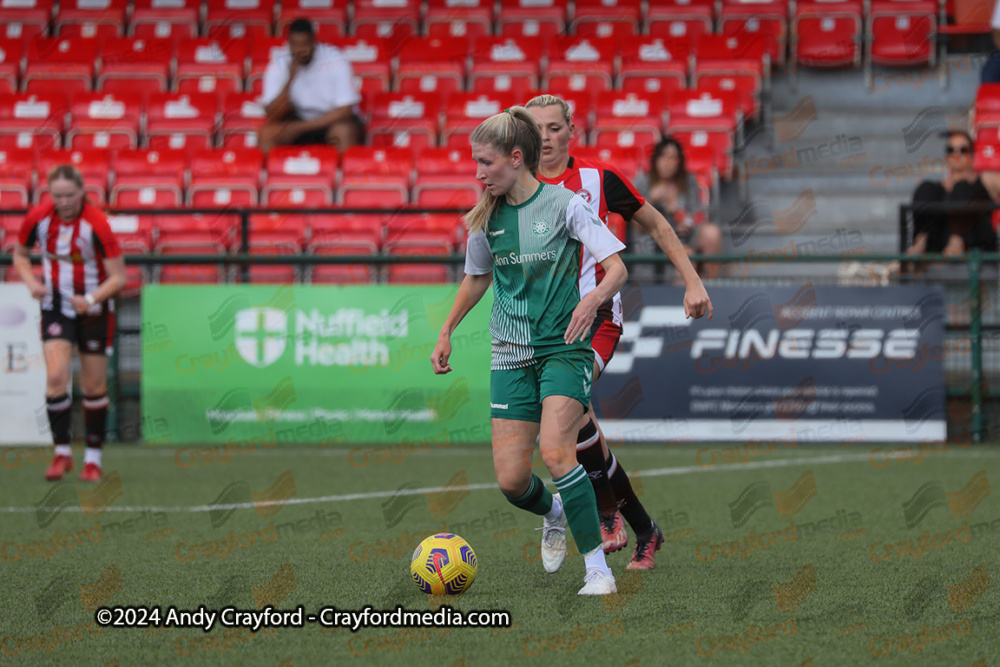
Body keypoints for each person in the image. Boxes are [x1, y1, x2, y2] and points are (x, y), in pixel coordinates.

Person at [431, 106, 628, 595]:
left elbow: (618, 267)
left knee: (557, 451)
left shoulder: (566, 204)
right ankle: (556, 512)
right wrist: (447, 329)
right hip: (510, 354)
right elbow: (476, 278)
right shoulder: (485, 218)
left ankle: (597, 571)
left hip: (565, 348)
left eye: (487, 163)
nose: (479, 173)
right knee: (512, 480)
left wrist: (594, 299)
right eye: (475, 163)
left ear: (516, 158)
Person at [525, 95, 713, 570]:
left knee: (567, 413)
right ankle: (644, 528)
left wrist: (692, 280)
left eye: (553, 127)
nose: (545, 138)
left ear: (571, 130)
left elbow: (655, 222)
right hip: (543, 328)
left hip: (598, 319)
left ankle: (608, 510)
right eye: (536, 129)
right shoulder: (516, 185)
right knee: (578, 420)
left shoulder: (599, 180)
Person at [12, 165, 126, 482]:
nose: (63, 202)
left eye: (70, 195)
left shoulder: (97, 224)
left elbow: (119, 277)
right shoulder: (37, 218)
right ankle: (61, 454)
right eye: (57, 195)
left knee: (92, 386)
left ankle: (93, 459)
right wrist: (31, 283)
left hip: (94, 310)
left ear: (81, 192)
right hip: (56, 307)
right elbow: (20, 256)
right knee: (56, 376)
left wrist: (90, 299)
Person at [257, 18, 364, 152]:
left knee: (343, 132)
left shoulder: (335, 59)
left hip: (331, 121)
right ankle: (273, 173)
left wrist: (299, 128)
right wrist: (289, 80)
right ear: (288, 44)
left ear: (314, 42)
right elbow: (272, 114)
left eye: (304, 44)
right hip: (299, 118)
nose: (300, 50)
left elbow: (345, 111)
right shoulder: (278, 64)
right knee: (266, 134)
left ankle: (343, 172)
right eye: (295, 44)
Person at [635, 136, 724, 276]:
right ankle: (684, 295)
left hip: (685, 237)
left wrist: (683, 218)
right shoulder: (642, 183)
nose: (668, 163)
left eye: (674, 158)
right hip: (653, 241)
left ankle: (713, 286)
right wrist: (650, 200)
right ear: (655, 159)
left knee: (711, 233)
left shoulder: (688, 181)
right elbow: (637, 228)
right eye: (664, 157)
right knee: (684, 254)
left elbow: (697, 215)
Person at [907, 131, 998, 256]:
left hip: (976, 245)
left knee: (961, 187)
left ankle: (957, 242)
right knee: (926, 188)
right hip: (938, 244)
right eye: (951, 150)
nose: (956, 154)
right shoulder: (936, 188)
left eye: (963, 149)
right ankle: (921, 242)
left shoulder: (984, 179)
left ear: (972, 155)